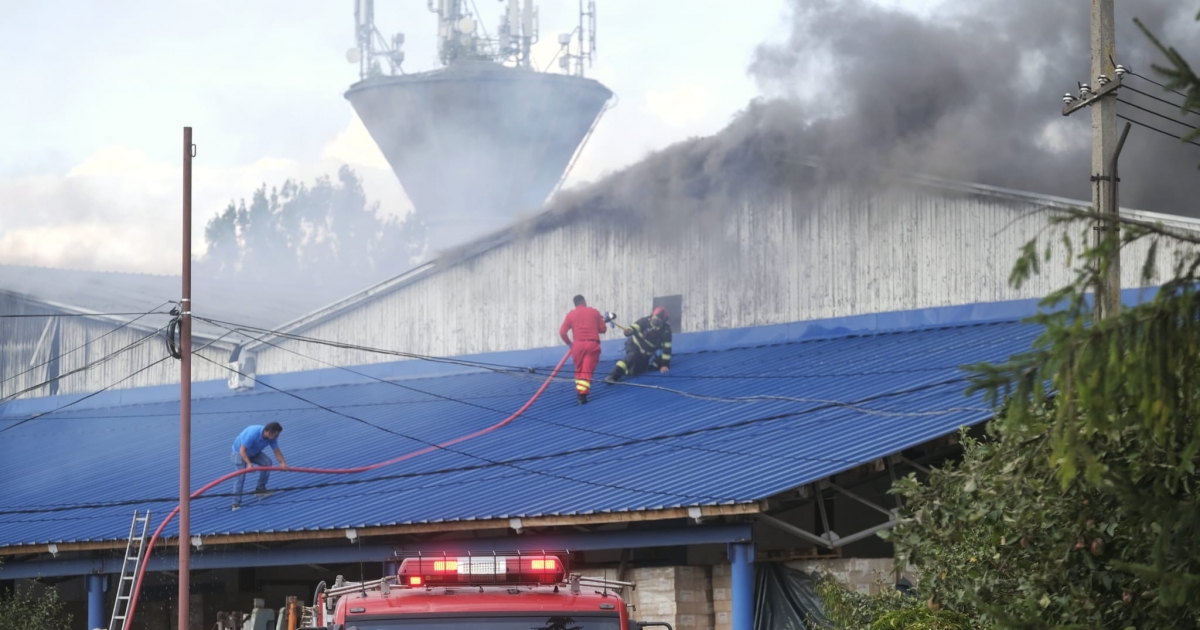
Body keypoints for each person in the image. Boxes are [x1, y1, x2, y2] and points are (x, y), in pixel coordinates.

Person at [559, 294, 609, 404]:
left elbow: (562, 332)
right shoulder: (594, 312)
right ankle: (582, 396)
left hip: (577, 346)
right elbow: (603, 329)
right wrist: (599, 322)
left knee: (579, 370)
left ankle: (580, 392)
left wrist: (569, 344)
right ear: (584, 301)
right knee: (586, 370)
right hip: (591, 344)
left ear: (575, 304)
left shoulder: (570, 315)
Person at [605, 306, 672, 384]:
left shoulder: (666, 331)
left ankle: (628, 369)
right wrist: (629, 331)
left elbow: (667, 349)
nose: (655, 322)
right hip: (635, 345)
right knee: (632, 356)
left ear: (664, 321)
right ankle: (612, 376)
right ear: (651, 315)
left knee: (635, 372)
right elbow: (635, 326)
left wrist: (665, 365)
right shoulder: (644, 321)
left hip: (646, 354)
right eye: (654, 319)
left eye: (658, 321)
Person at [230, 422, 288, 510]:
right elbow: (242, 451)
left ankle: (260, 489)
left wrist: (283, 463)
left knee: (267, 463)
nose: (277, 437)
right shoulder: (253, 433)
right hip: (239, 454)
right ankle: (235, 503)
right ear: (269, 433)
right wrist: (249, 464)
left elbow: (276, 450)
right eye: (276, 435)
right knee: (240, 477)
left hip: (254, 452)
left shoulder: (271, 438)